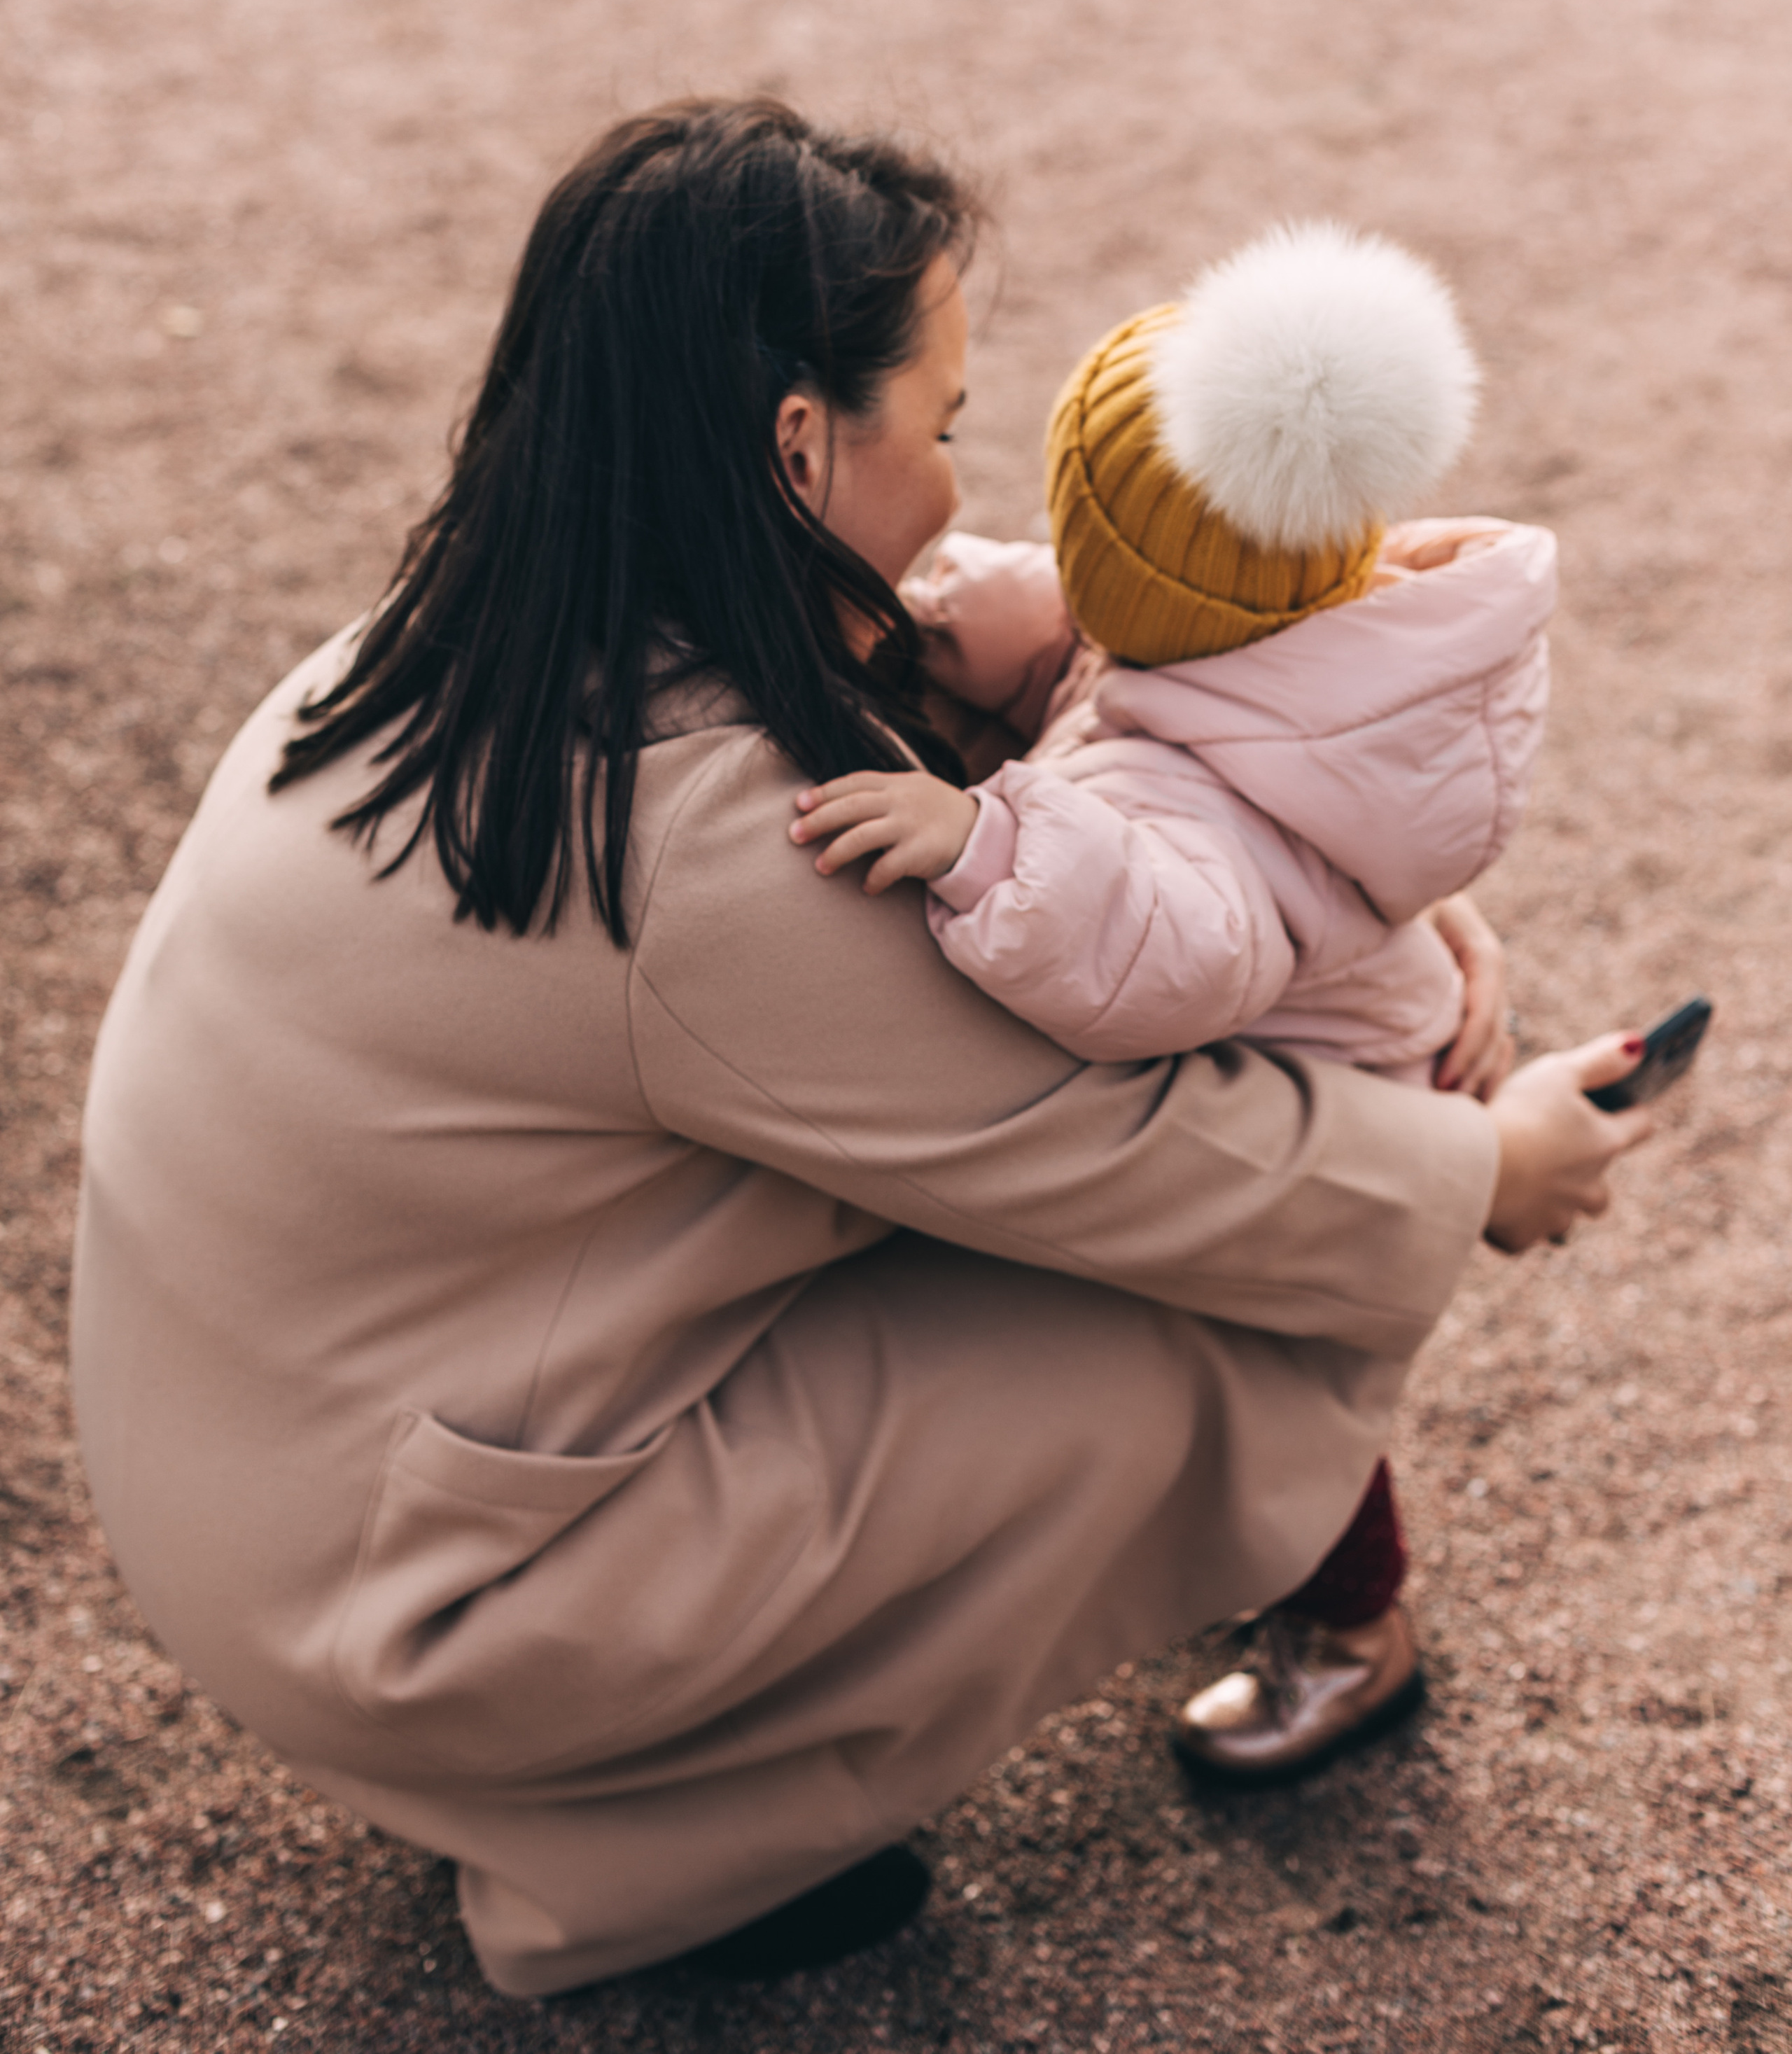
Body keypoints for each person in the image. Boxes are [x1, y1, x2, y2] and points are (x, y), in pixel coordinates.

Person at [72, 100, 1651, 1999]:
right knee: (1177, 1343)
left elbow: (999, 676)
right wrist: (1490, 1169)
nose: (969, 483)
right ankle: (656, 1856)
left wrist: (1347, 880)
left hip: (286, 1500)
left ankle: (615, 1764)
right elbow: (1116, 1147)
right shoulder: (710, 854)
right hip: (426, 1609)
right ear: (800, 445)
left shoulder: (459, 634)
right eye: (952, 423)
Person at [789, 219, 1564, 1779]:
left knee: (1276, 1403)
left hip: (1320, 1096)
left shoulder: (1212, 799)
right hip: (1339, 1021)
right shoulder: (1251, 623)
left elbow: (1157, 952)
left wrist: (984, 833)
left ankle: (1352, 1636)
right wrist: (942, 615)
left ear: (1141, 581)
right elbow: (1072, 644)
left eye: (1076, 542)